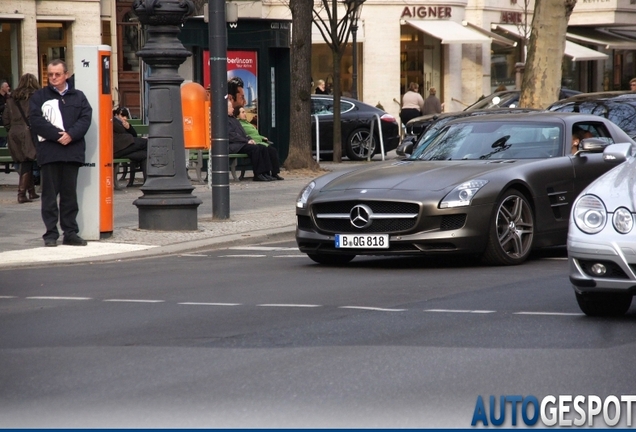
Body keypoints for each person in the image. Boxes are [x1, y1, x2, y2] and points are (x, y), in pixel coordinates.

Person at [29, 59, 92, 247]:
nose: (54, 78)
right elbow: (36, 121)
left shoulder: (78, 96)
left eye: (57, 74)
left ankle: (70, 232)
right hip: (50, 152)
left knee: (69, 196)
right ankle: (50, 234)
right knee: (49, 196)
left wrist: (71, 135)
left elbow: (85, 118)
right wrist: (59, 136)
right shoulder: (39, 97)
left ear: (66, 75)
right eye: (50, 74)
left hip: (71, 152)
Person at [3, 73, 41, 203]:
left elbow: (5, 119)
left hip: (14, 132)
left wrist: (13, 128)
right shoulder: (36, 97)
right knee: (27, 161)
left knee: (24, 161)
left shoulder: (11, 98)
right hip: (28, 132)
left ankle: (31, 192)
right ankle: (21, 193)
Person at [227, 99, 275, 182]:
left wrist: (250, 139)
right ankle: (258, 174)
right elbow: (232, 136)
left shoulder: (234, 119)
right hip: (233, 145)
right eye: (231, 107)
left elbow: (243, 133)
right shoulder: (225, 120)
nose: (233, 109)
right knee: (255, 149)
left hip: (241, 143)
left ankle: (266, 173)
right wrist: (246, 141)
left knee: (261, 147)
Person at [235, 106, 283, 180]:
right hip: (253, 142)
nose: (245, 114)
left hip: (259, 141)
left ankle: (274, 173)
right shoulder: (239, 124)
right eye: (242, 112)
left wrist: (262, 137)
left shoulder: (248, 123)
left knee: (272, 150)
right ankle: (265, 173)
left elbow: (256, 135)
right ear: (237, 115)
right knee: (264, 149)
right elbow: (246, 135)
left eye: (245, 112)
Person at [113, 106, 147, 183]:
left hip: (123, 149)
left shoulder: (119, 122)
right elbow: (122, 132)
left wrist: (129, 127)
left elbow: (134, 135)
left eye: (126, 116)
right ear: (116, 115)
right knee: (146, 143)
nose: (125, 118)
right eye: (122, 116)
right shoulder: (113, 120)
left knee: (145, 155)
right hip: (119, 148)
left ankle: (147, 182)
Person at [0, 80, 10, 147]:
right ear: (2, 88)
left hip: (6, 120)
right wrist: (5, 105)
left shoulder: (8, 97)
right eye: (6, 86)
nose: (8, 88)